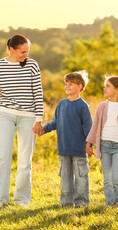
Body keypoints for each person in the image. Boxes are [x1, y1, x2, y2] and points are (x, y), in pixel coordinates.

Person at [0, 34, 44, 209]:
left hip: (28, 117)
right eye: (22, 52)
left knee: (25, 160)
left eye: (27, 51)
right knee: (3, 157)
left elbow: (38, 93)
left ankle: (21, 200)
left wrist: (39, 119)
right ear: (11, 50)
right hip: (5, 115)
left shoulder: (32, 65)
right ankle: (0, 200)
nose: (26, 55)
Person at [37, 71, 92, 207]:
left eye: (70, 84)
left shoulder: (83, 106)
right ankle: (66, 203)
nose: (67, 86)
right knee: (65, 179)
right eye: (65, 84)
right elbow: (55, 122)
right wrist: (44, 129)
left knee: (81, 178)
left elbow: (88, 128)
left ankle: (82, 203)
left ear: (79, 87)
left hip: (79, 150)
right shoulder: (61, 104)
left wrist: (89, 145)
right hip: (64, 148)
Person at [86, 76, 118, 206]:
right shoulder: (102, 106)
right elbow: (95, 126)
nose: (104, 88)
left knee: (116, 178)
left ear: (117, 90)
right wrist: (89, 143)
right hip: (104, 146)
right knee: (107, 179)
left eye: (108, 86)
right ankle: (110, 203)